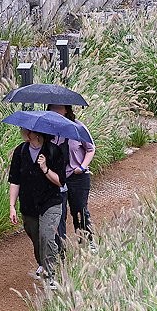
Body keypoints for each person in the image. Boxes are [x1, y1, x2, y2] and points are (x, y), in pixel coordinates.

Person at [8, 128, 67, 289]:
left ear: (34, 133)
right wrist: (12, 206)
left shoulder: (54, 151)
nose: (21, 131)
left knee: (47, 237)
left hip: (51, 202)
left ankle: (50, 275)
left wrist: (45, 168)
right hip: (28, 204)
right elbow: (15, 181)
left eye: (24, 129)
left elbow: (60, 181)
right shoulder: (20, 151)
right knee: (37, 238)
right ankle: (43, 261)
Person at [47, 104, 96, 252]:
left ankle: (87, 242)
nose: (55, 111)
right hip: (56, 178)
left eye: (58, 108)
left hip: (77, 177)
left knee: (79, 210)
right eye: (52, 108)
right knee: (58, 214)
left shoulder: (78, 127)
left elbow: (90, 148)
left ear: (67, 110)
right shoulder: (47, 131)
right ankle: (59, 249)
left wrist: (82, 167)